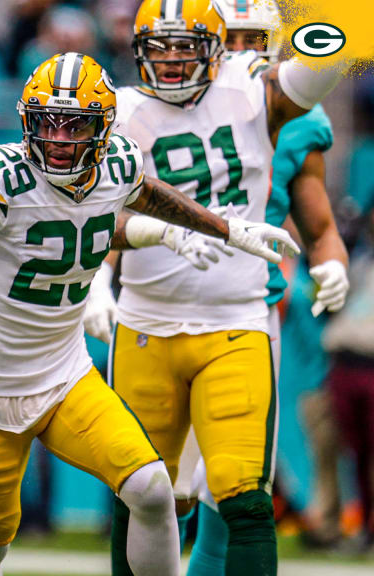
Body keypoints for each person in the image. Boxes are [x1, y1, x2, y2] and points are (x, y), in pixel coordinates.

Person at [0, 51, 296, 576]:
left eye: (75, 124)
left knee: (150, 487)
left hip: (66, 375)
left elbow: (139, 198)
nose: (59, 137)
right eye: (47, 121)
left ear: (103, 129)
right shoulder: (0, 177)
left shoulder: (117, 164)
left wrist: (222, 228)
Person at [97, 0, 352, 573]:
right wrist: (115, 268)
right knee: (148, 494)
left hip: (240, 314)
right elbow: (91, 217)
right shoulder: (120, 109)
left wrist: (330, 262)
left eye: (186, 46)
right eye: (158, 48)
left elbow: (320, 64)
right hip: (147, 320)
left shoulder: (257, 96)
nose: (170, 61)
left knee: (238, 492)